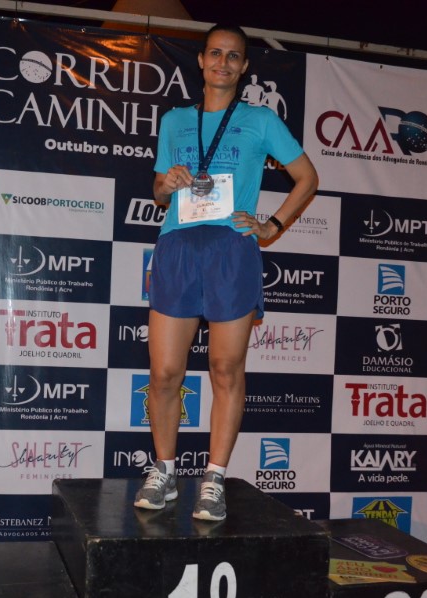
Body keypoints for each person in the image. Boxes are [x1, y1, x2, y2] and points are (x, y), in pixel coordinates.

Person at [134, 24, 318, 521]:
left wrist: (271, 225)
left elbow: (307, 177)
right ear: (201, 61)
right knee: (164, 372)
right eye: (215, 53)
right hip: (177, 248)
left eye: (233, 56)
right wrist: (167, 183)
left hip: (231, 251)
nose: (223, 62)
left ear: (244, 67)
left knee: (225, 368)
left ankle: (213, 479)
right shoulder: (175, 120)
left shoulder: (260, 120)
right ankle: (164, 471)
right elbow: (158, 191)